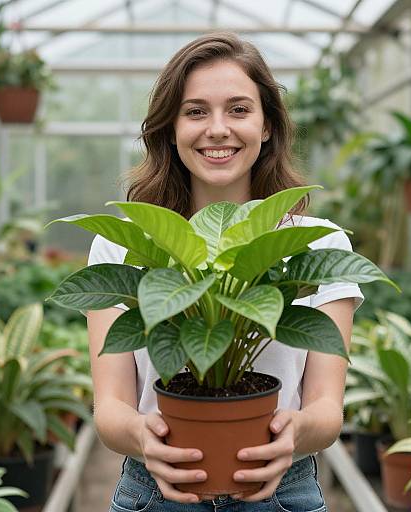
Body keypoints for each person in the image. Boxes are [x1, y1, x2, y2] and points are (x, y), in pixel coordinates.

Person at [86, 32, 363, 512]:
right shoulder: (124, 244)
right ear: (170, 129)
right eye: (195, 112)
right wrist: (141, 436)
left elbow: (326, 409)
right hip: (156, 490)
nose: (217, 129)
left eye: (238, 110)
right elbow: (110, 408)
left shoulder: (316, 243)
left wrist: (295, 434)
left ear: (267, 126)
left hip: (282, 491)